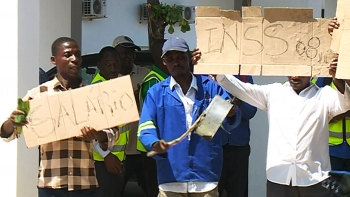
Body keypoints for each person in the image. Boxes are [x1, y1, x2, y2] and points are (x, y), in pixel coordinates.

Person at [208, 57, 350, 197]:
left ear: (312, 71)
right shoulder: (274, 93)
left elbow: (346, 103)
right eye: (291, 70)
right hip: (279, 179)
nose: (294, 76)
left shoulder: (324, 95)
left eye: (300, 71)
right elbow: (243, 89)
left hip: (314, 180)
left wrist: (339, 79)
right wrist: (219, 74)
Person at [0, 37, 116, 197]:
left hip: (84, 184)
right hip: (50, 186)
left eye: (78, 55)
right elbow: (9, 134)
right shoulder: (37, 95)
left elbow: (112, 132)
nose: (74, 59)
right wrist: (12, 122)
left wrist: (97, 135)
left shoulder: (91, 94)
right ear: (54, 60)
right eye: (68, 55)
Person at [138, 37, 242, 197]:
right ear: (164, 61)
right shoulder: (156, 92)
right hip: (170, 177)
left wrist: (231, 113)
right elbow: (145, 127)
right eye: (170, 59)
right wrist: (154, 143)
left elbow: (228, 121)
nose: (176, 63)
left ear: (189, 57)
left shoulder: (210, 87)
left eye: (180, 57)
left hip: (206, 177)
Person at [113, 35, 149, 195]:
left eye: (131, 52)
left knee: (151, 190)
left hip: (143, 148)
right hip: (120, 152)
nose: (129, 56)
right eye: (124, 52)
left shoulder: (146, 75)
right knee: (115, 191)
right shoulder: (108, 77)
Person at [90, 46, 126, 197]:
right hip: (103, 161)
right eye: (108, 64)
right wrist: (106, 155)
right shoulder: (95, 89)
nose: (112, 69)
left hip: (118, 158)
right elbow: (89, 131)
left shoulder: (117, 85)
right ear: (99, 65)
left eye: (116, 64)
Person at [138, 39, 169, 197]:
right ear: (160, 57)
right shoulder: (153, 81)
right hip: (154, 148)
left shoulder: (169, 78)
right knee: (156, 190)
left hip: (165, 148)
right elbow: (153, 118)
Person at [218, 75, 257, 197]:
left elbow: (251, 112)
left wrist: (240, 103)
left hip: (239, 147)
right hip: (214, 148)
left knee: (238, 192)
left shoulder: (244, 76)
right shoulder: (206, 74)